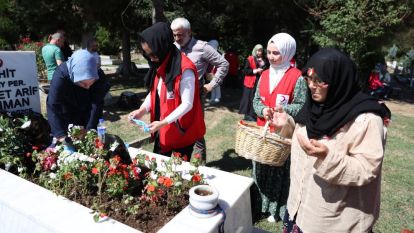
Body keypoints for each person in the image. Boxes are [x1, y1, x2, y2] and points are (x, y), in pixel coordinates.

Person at [269, 48, 391, 232]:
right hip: (298, 209)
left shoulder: (365, 119)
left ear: (338, 80)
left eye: (319, 80)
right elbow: (307, 137)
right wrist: (286, 125)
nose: (311, 85)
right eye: (308, 79)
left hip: (334, 222)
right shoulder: (313, 108)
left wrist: (327, 157)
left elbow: (367, 169)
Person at [252, 33, 308, 222]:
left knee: (278, 173)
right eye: (268, 52)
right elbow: (256, 100)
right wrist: (263, 110)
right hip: (263, 131)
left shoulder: (297, 77)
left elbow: (301, 104)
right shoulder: (265, 74)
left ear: (287, 52)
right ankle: (259, 205)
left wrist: (284, 110)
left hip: (282, 134)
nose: (270, 56)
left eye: (276, 53)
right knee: (259, 169)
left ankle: (275, 210)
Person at [128, 22, 205, 158]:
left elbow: (187, 104)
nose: (151, 58)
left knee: (176, 172)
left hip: (181, 132)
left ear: (162, 47)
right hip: (163, 129)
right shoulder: (160, 63)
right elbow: (156, 92)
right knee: (158, 167)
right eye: (147, 54)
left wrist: (163, 122)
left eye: (153, 54)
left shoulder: (185, 69)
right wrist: (142, 110)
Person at [171, 17, 229, 161]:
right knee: (176, 130)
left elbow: (223, 64)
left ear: (189, 32)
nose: (177, 38)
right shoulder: (173, 47)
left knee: (196, 133)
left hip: (196, 97)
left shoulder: (202, 47)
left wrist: (211, 85)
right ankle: (179, 167)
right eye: (174, 35)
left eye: (180, 35)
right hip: (175, 97)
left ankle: (198, 170)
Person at [47, 49, 110, 147]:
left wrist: (90, 130)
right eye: (84, 84)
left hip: (86, 109)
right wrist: (60, 135)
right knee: (66, 142)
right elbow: (53, 105)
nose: (88, 87)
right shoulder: (61, 75)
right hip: (66, 111)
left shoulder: (99, 75)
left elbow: (96, 104)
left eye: (91, 84)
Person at [239, 44, 268, 121]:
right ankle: (247, 115)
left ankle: (253, 114)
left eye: (261, 51)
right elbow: (245, 71)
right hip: (249, 82)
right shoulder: (250, 58)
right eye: (258, 50)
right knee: (248, 98)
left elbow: (265, 69)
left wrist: (262, 68)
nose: (259, 52)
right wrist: (255, 71)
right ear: (255, 50)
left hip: (258, 81)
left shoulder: (263, 60)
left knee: (255, 98)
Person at [206, 40, 221, 104]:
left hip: (216, 71)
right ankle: (212, 97)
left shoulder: (219, 53)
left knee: (217, 85)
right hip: (210, 71)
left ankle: (217, 97)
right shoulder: (209, 53)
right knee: (211, 84)